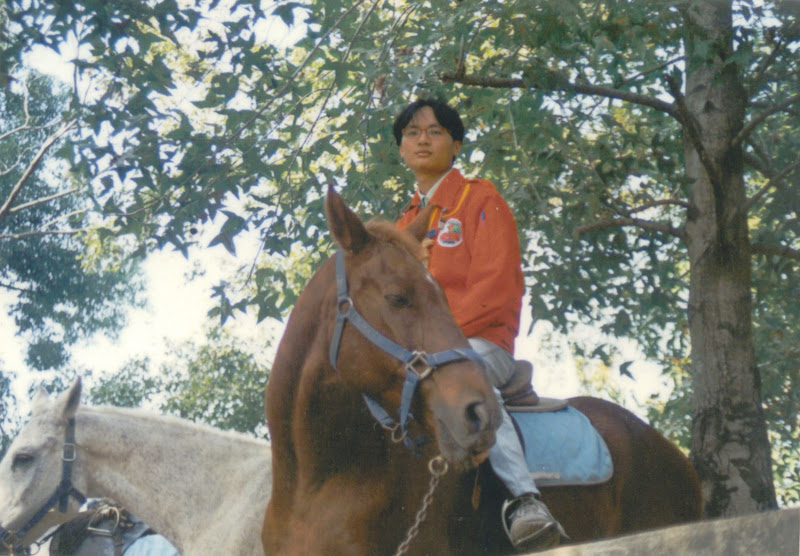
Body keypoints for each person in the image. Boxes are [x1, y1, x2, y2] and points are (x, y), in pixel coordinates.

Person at [393, 98, 566, 551]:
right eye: (412, 133)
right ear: (401, 149)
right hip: (419, 355)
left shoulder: (480, 198)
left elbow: (497, 286)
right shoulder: (402, 224)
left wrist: (440, 343)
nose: (423, 140)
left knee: (459, 373)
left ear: (456, 144)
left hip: (481, 343)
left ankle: (525, 501)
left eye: (435, 131)